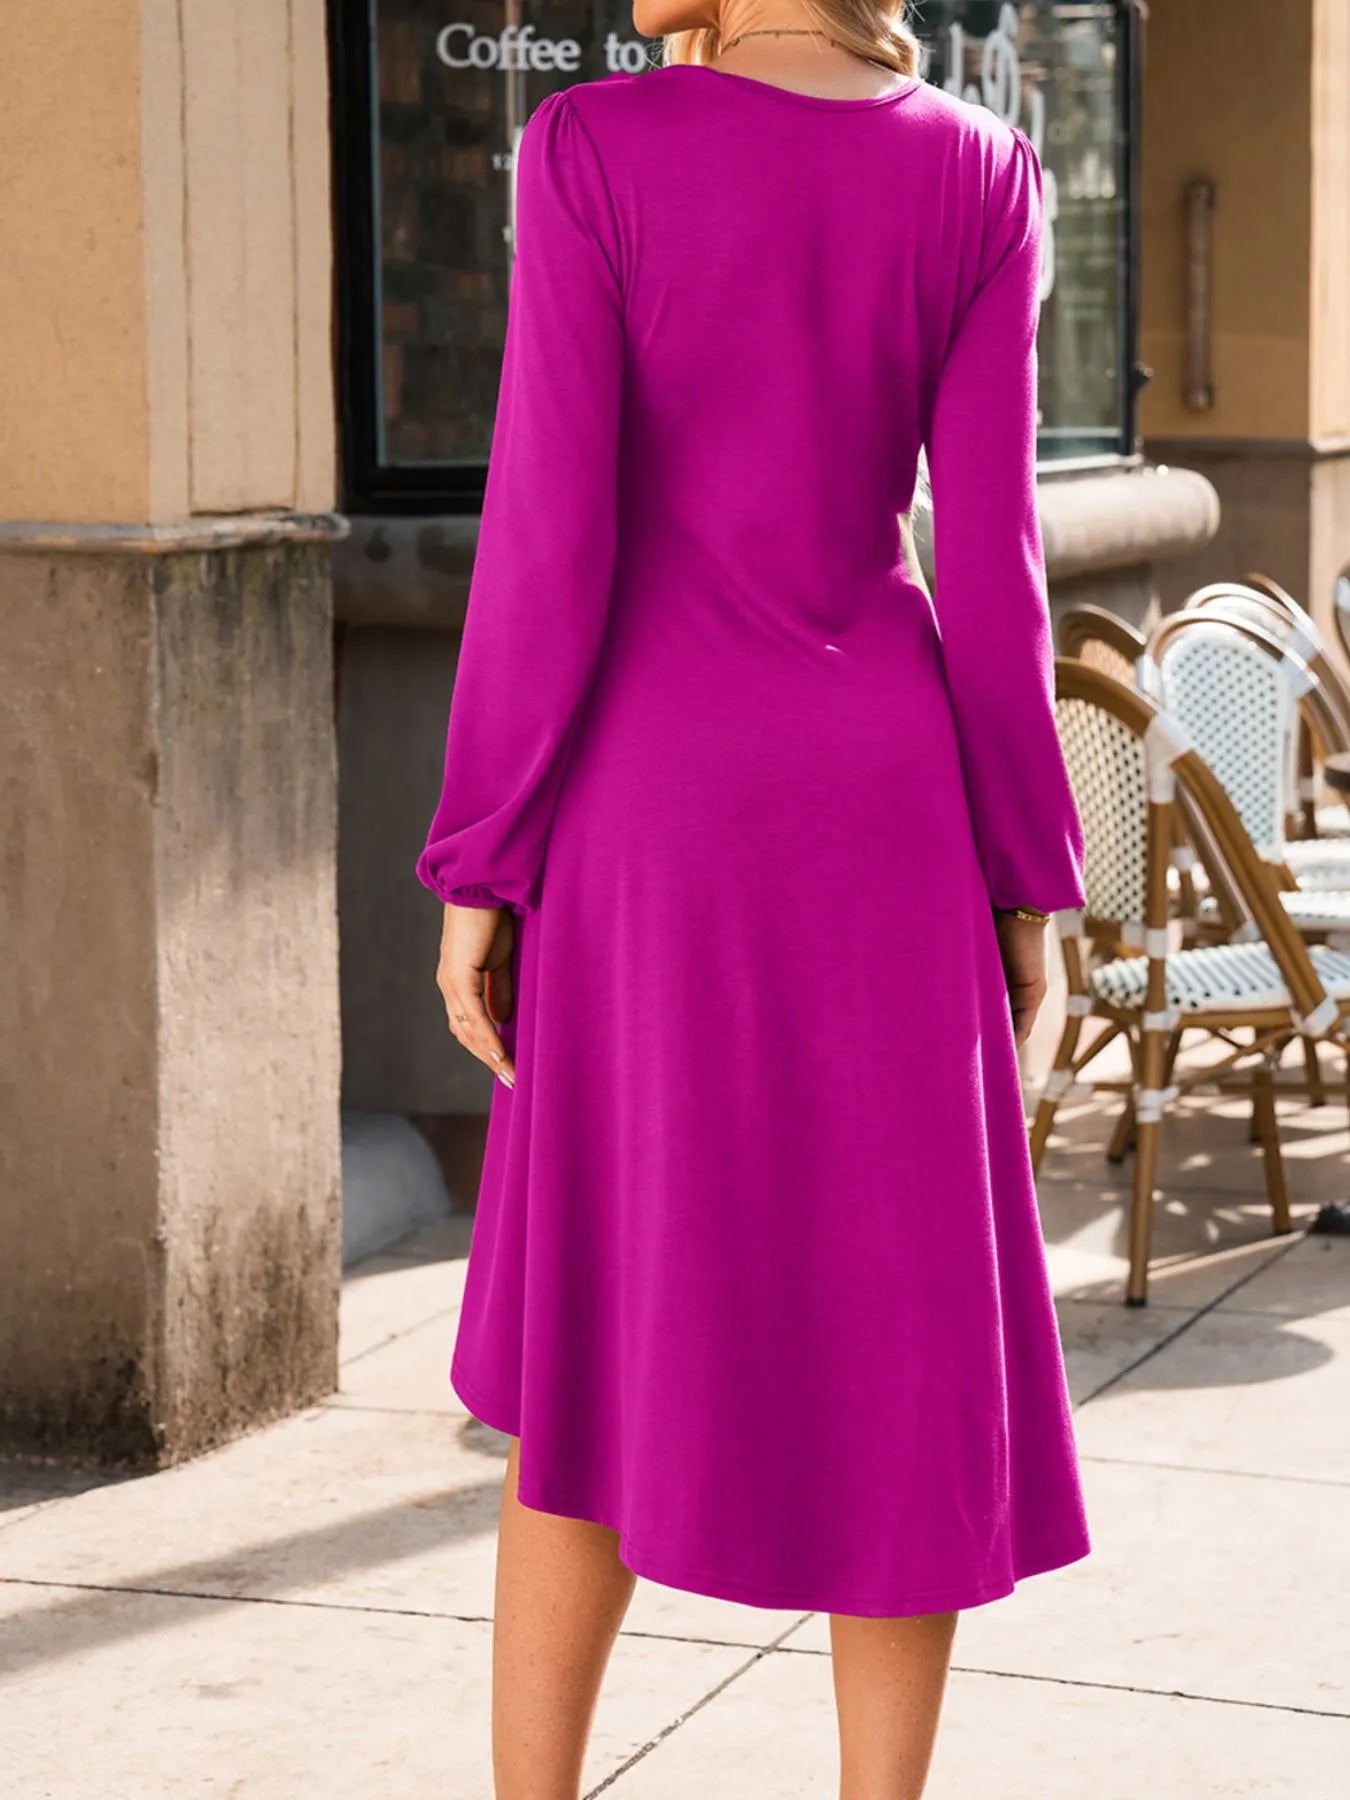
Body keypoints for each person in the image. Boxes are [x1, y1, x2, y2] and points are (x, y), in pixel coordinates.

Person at [415, 4, 1091, 1794]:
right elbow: (996, 562)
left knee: (591, 1355)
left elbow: (546, 528)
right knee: (901, 1335)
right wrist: (1028, 870)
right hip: (883, 801)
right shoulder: (980, 170)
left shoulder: (594, 150)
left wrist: (482, 848)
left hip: (653, 813)